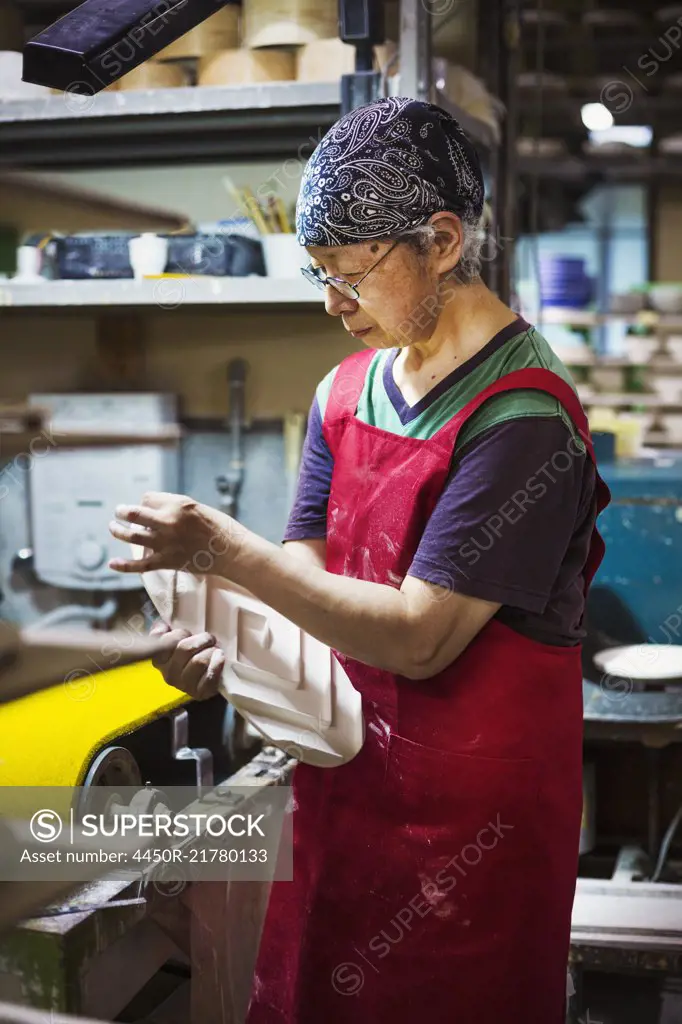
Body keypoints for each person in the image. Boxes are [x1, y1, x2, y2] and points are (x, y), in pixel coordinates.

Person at [108, 96, 610, 1024]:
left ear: (445, 241)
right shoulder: (346, 392)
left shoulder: (524, 420)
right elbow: (307, 590)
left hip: (470, 838)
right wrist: (231, 655)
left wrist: (221, 546)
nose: (331, 306)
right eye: (319, 274)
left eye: (350, 274)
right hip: (341, 795)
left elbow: (420, 641)